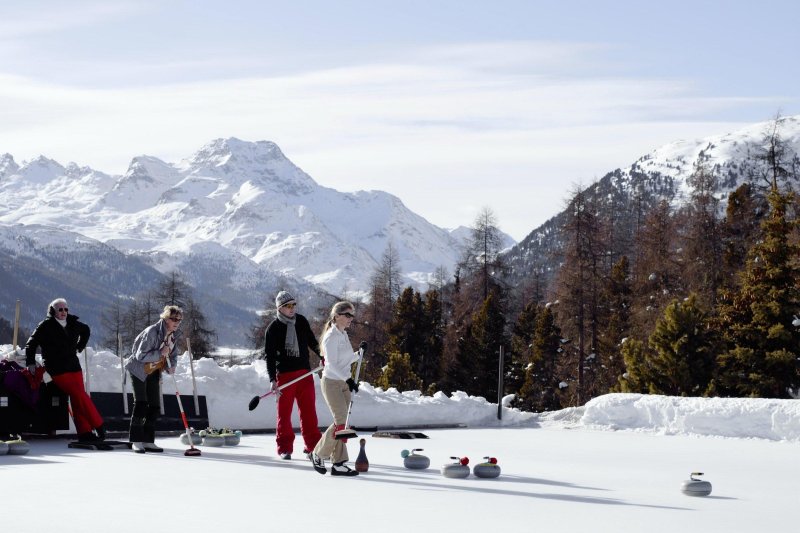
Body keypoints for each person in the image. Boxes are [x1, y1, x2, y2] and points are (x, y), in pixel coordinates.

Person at [24, 298, 106, 443]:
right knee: (79, 394)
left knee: (77, 398)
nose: (63, 312)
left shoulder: (73, 323)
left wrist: (80, 346)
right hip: (57, 369)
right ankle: (99, 425)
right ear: (52, 311)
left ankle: (85, 432)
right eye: (60, 309)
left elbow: (86, 330)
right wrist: (30, 362)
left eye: (66, 309)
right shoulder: (45, 325)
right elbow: (31, 344)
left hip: (74, 367)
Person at [309, 301, 366, 477]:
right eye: (348, 315)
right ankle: (318, 453)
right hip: (332, 382)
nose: (351, 319)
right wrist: (348, 379)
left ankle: (339, 463)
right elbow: (331, 365)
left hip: (343, 382)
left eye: (352, 316)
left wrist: (359, 354)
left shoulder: (343, 335)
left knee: (344, 424)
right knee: (340, 421)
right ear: (337, 316)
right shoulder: (331, 337)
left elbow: (346, 360)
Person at [263, 291, 323, 460]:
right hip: (285, 377)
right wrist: (272, 379)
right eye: (287, 306)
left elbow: (312, 342)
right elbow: (270, 356)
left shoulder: (301, 321)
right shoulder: (273, 329)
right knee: (284, 414)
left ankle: (312, 447)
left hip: (304, 374)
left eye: (293, 305)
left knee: (309, 413)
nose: (291, 309)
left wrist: (323, 356)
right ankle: (284, 448)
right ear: (279, 308)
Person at [124, 305, 183, 453]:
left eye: (179, 319)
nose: (176, 322)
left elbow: (173, 354)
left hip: (154, 370)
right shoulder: (153, 332)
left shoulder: (173, 335)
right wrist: (160, 353)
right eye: (173, 318)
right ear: (165, 318)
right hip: (139, 370)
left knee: (155, 406)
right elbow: (140, 355)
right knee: (141, 403)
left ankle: (148, 440)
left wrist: (172, 366)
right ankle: (136, 440)